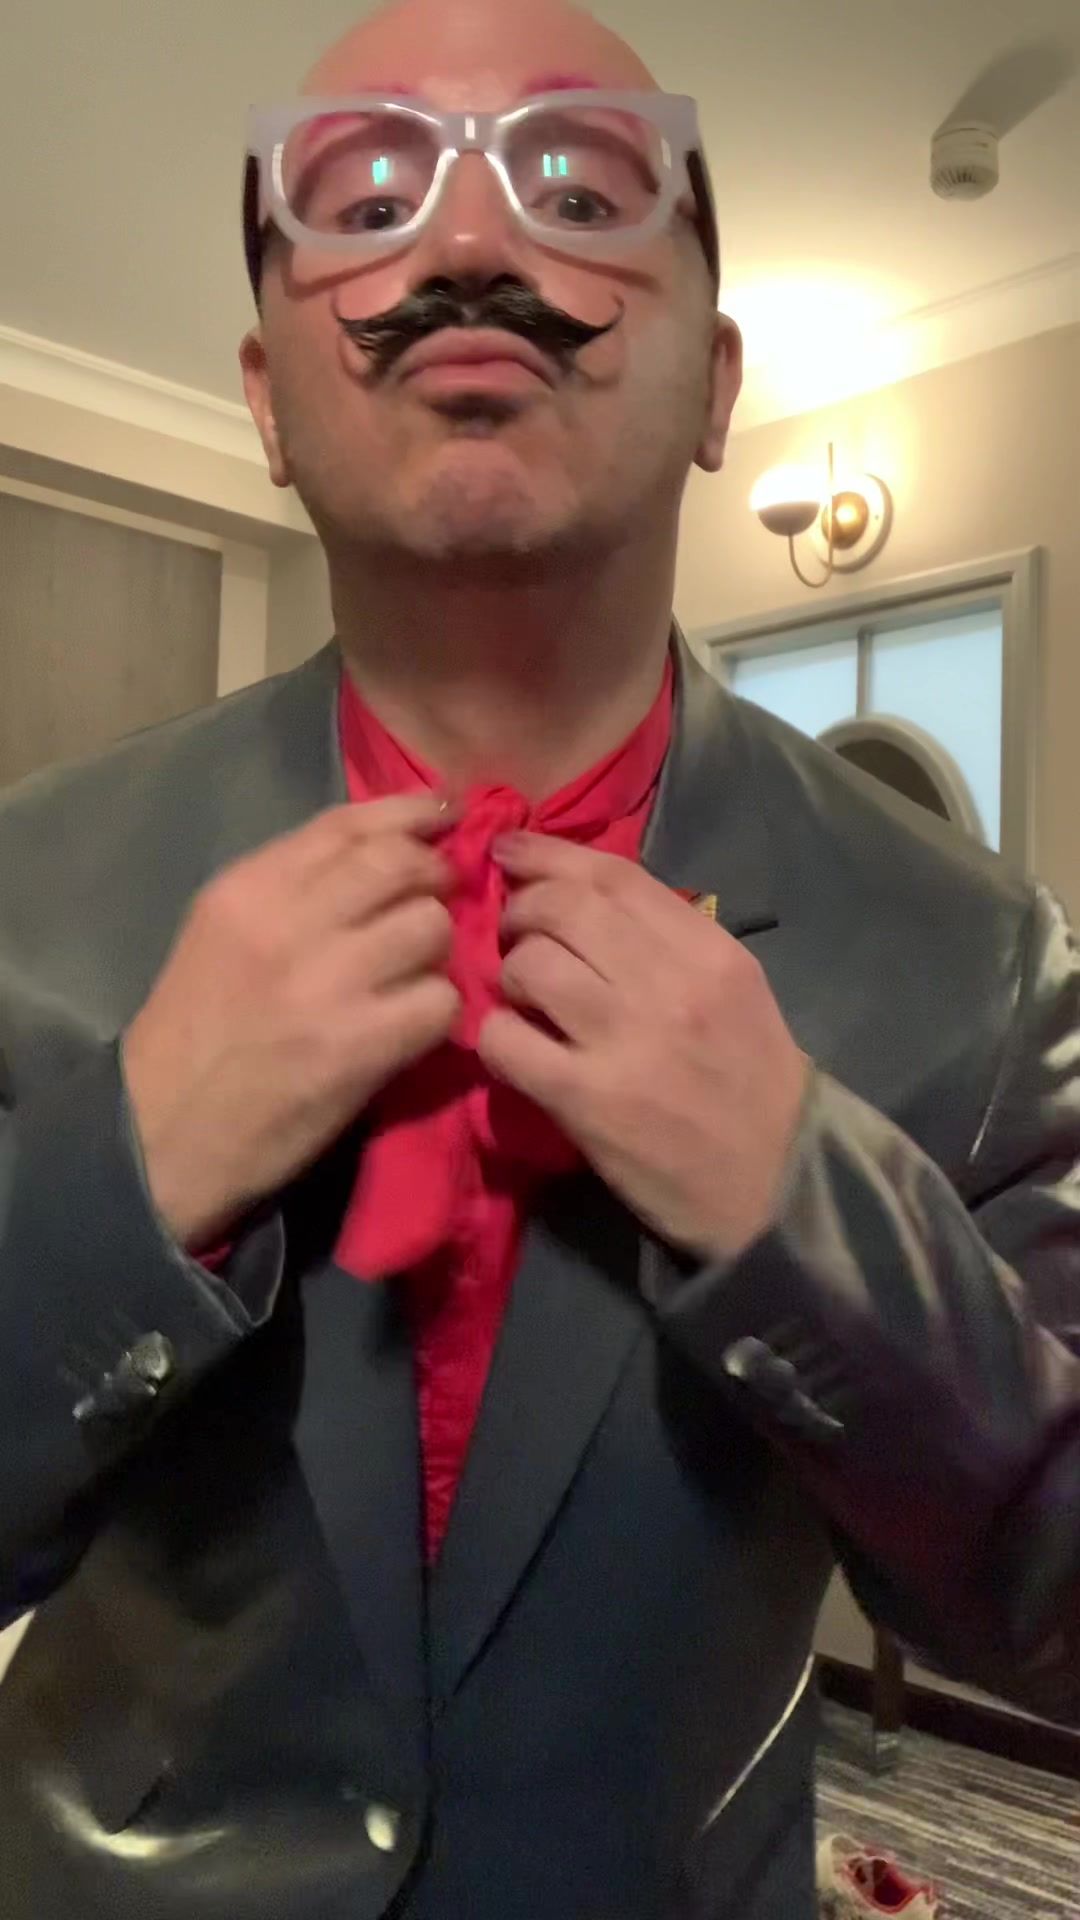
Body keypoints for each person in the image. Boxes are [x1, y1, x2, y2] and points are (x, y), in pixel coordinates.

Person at [0, 1, 1077, 1915]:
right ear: (265, 403)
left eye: (583, 190)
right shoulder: (28, 888)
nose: (475, 240)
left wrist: (811, 1215)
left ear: (719, 383)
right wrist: (128, 1172)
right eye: (367, 201)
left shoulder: (981, 962)